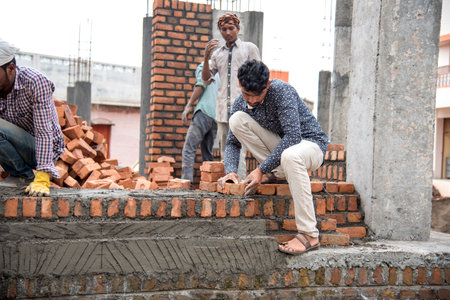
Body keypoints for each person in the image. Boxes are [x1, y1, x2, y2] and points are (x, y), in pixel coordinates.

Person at [218, 60, 330, 255]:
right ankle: (277, 172)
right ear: (240, 85)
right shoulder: (240, 102)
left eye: (257, 95)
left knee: (290, 155)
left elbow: (293, 137)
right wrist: (231, 172)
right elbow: (232, 143)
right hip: (285, 153)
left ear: (267, 85)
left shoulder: (281, 91)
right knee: (236, 120)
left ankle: (309, 234)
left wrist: (261, 169)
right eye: (246, 95)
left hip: (310, 146)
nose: (251, 101)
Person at [0, 38, 65, 196]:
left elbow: (43, 130)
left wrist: (43, 175)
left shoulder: (35, 82)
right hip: (16, 145)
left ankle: (27, 176)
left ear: (11, 68)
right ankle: (20, 175)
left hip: (44, 150)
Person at [202, 12, 260, 179]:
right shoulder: (217, 54)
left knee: (240, 150)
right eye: (223, 29)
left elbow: (259, 75)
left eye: (231, 28)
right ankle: (230, 184)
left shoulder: (249, 48)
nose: (227, 32)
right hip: (222, 111)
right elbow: (205, 80)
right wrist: (206, 58)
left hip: (244, 109)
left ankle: (241, 185)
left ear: (238, 29)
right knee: (225, 151)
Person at [181, 62, 219, 183]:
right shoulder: (219, 73)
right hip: (216, 117)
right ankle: (210, 184)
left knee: (189, 148)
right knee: (207, 155)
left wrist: (188, 106)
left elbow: (200, 85)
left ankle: (186, 185)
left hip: (203, 112)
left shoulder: (203, 67)